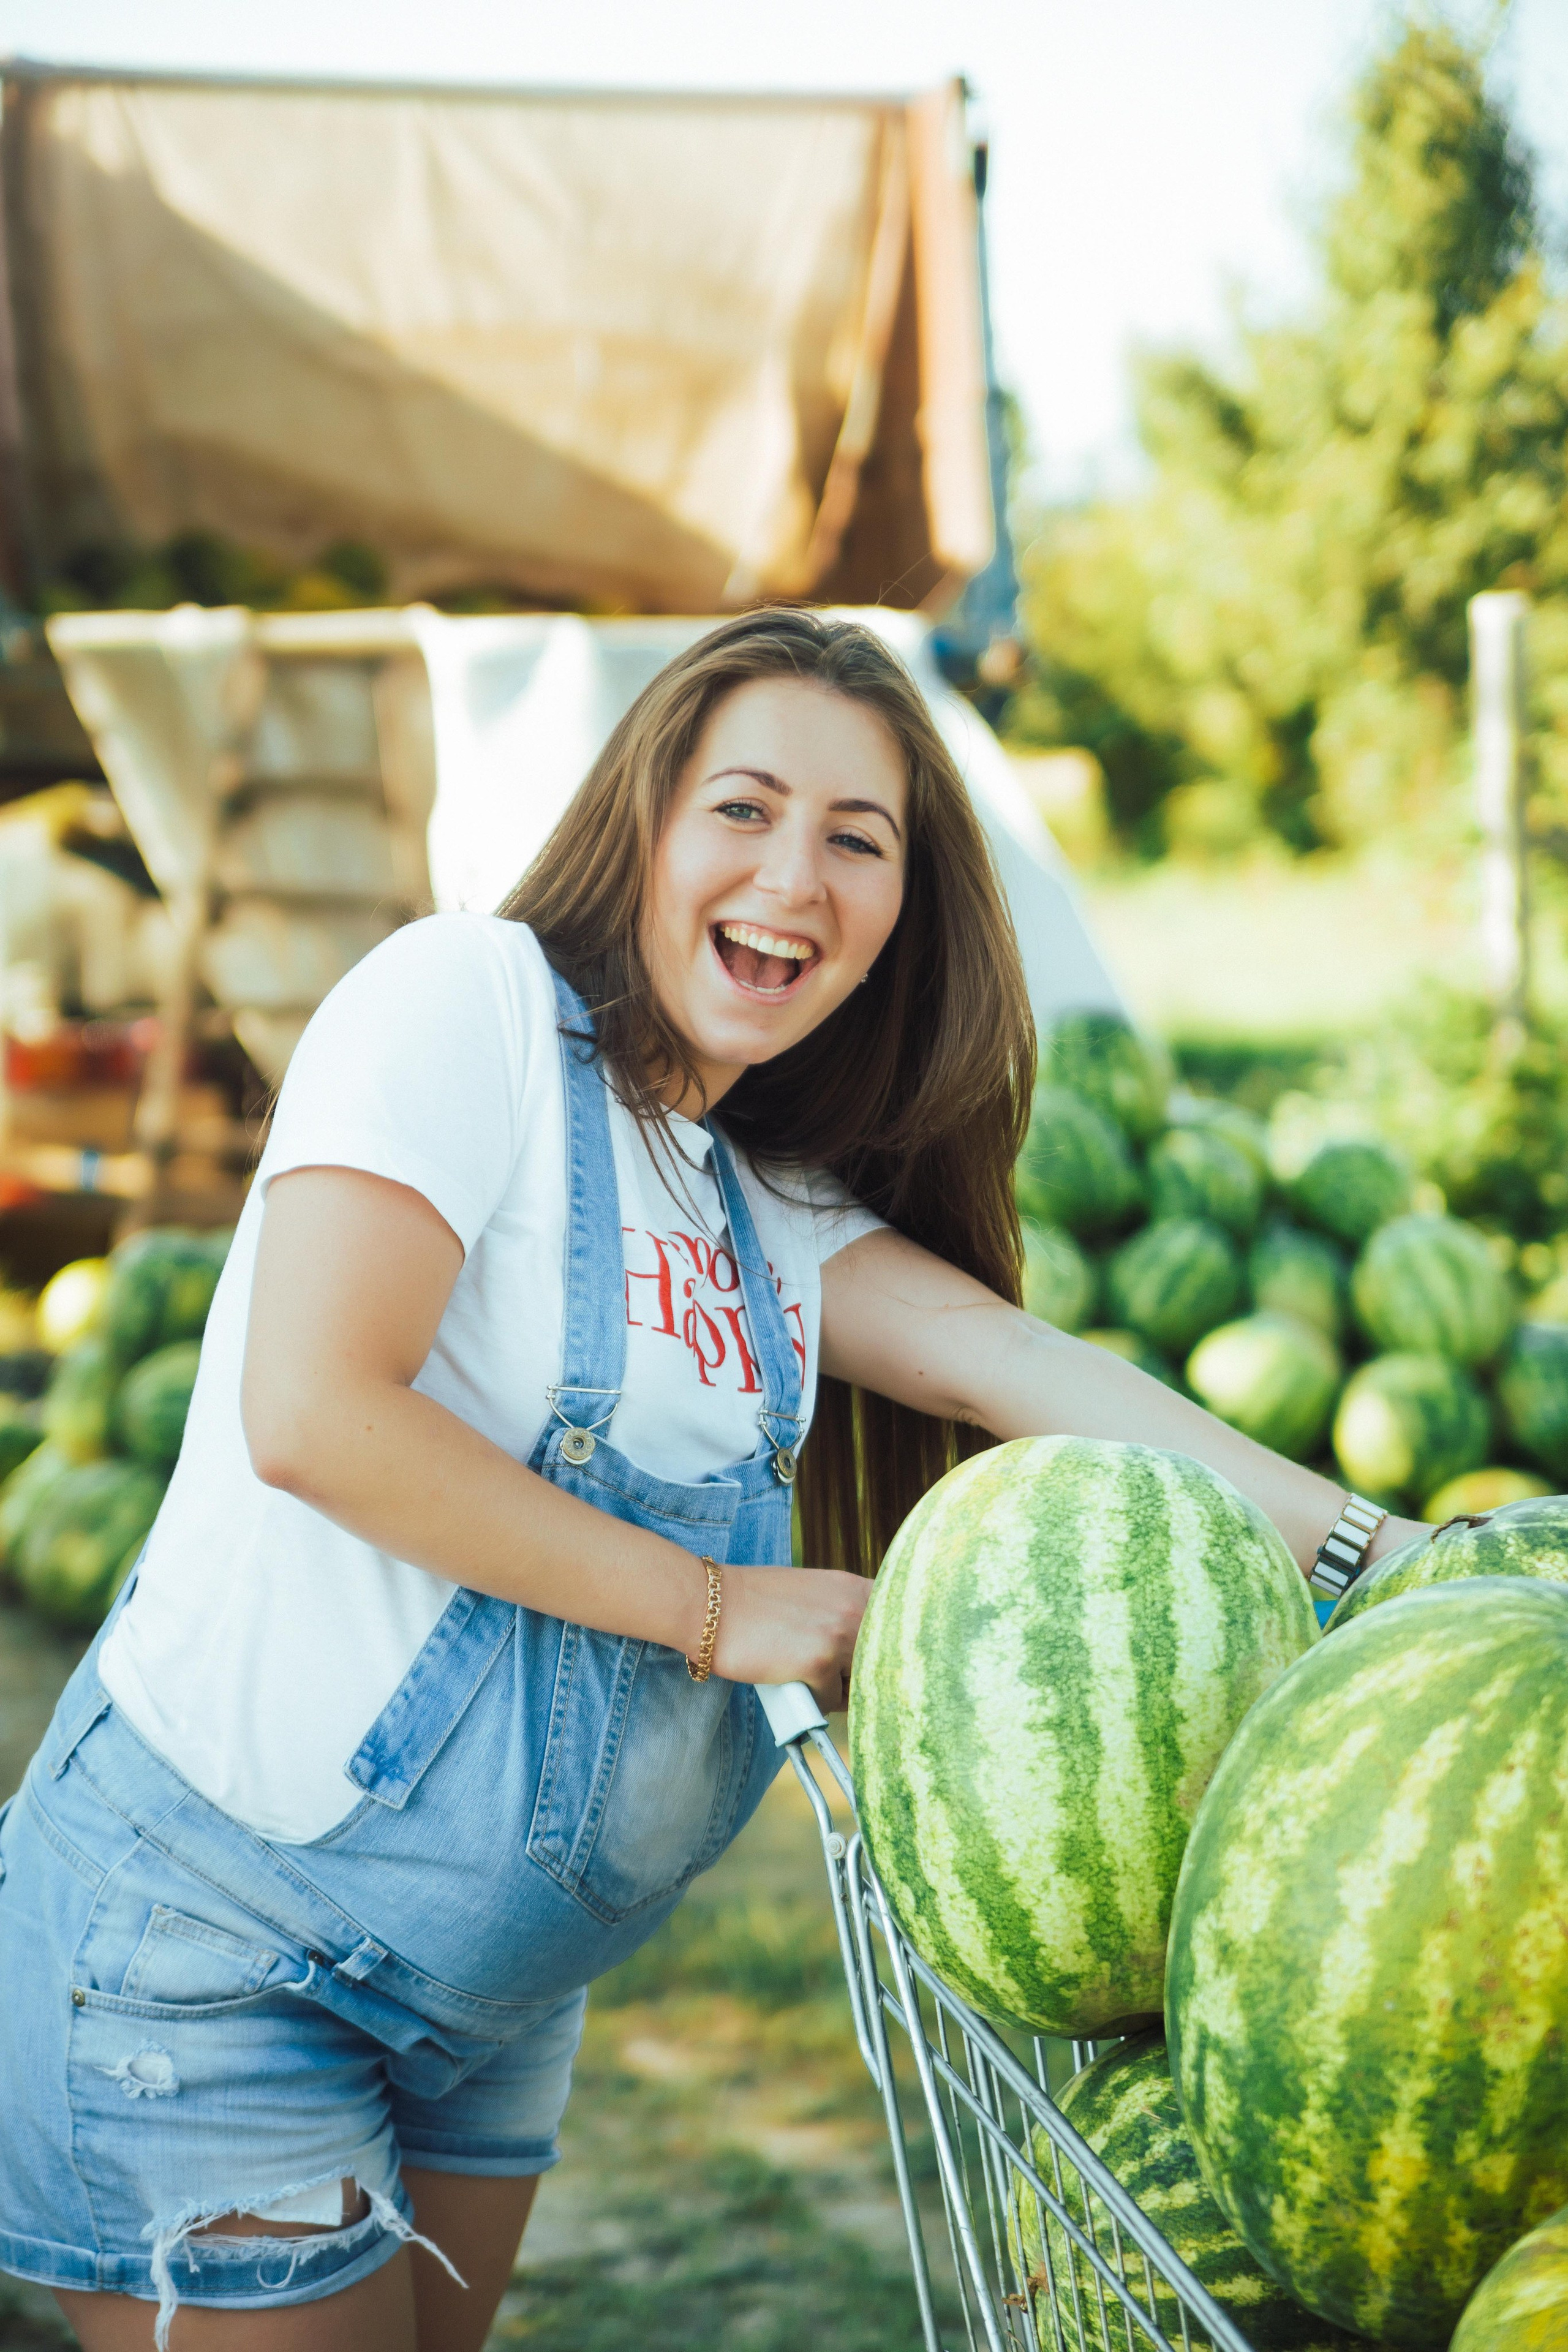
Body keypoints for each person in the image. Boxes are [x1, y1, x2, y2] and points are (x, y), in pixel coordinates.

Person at [0, 610, 1420, 2349]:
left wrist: (1397, 1553)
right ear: (646, 821)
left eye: (858, 840)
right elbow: (315, 1413)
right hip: (218, 1948)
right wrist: (718, 1607)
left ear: (906, 914)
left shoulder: (760, 1196)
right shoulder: (469, 1008)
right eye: (743, 809)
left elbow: (1033, 1376)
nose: (794, 876)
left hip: (490, 2003)